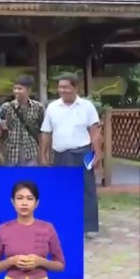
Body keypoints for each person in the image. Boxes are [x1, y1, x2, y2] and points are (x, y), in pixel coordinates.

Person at [40, 73, 102, 239]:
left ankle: (88, 226)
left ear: (76, 88)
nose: (63, 90)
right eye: (60, 87)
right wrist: (43, 154)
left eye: (66, 87)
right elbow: (46, 132)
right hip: (60, 154)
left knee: (86, 189)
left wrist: (98, 153)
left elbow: (94, 132)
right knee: (61, 190)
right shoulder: (52, 107)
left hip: (82, 153)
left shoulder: (87, 106)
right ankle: (64, 224)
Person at [0, 180, 66, 278]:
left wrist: (41, 262)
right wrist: (11, 261)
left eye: (29, 199)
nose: (24, 203)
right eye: (20, 198)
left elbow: (60, 265)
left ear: (36, 203)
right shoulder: (3, 229)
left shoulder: (48, 228)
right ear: (13, 202)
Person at [0, 75, 44, 167]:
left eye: (20, 89)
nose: (16, 91)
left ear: (29, 90)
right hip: (11, 152)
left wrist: (43, 154)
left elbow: (42, 131)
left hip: (31, 152)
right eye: (15, 88)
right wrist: (2, 126)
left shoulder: (38, 107)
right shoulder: (6, 107)